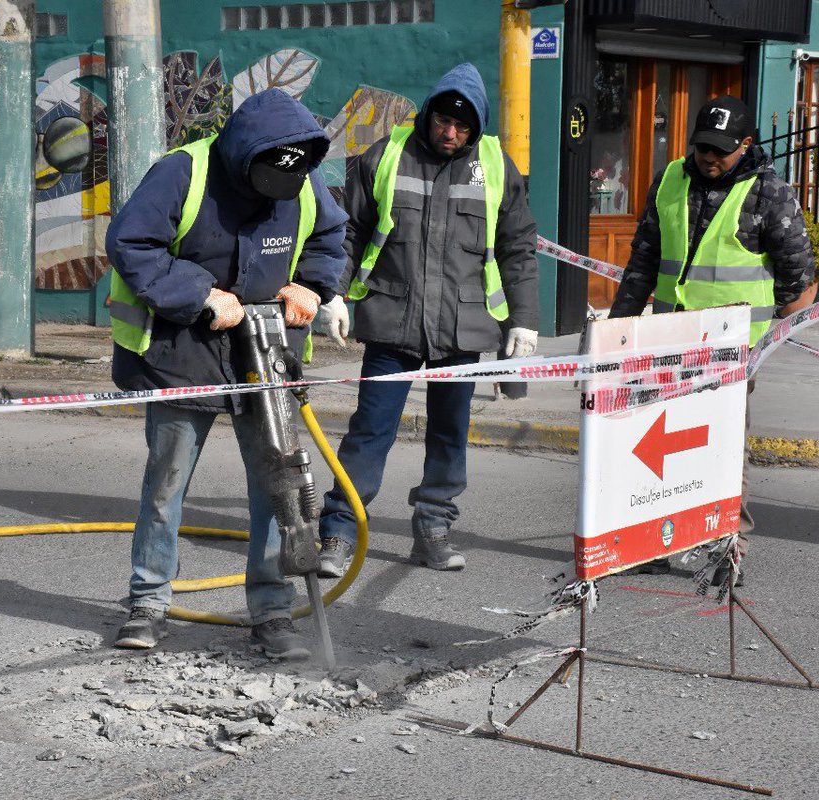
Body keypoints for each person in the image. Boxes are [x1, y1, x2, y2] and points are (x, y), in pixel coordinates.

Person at [104, 89, 348, 659]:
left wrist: (313, 285)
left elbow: (331, 237)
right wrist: (199, 293)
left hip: (264, 353)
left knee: (277, 488)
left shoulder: (300, 173)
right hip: (182, 350)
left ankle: (271, 610)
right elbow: (131, 243)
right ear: (244, 160)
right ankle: (148, 604)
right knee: (166, 484)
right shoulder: (181, 173)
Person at [316, 63, 540, 578]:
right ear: (429, 113)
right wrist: (331, 293)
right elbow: (348, 232)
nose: (450, 133)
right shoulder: (388, 154)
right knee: (369, 431)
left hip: (461, 328)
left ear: (476, 127)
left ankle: (433, 527)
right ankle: (339, 530)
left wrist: (524, 321)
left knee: (448, 433)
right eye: (443, 121)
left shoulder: (495, 165)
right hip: (392, 320)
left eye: (463, 127)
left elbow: (518, 247)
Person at [608, 95, 814, 583]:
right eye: (703, 147)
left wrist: (767, 335)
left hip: (730, 352)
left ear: (746, 145)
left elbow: (798, 277)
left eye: (721, 150)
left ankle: (727, 548)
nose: (709, 157)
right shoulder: (671, 181)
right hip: (668, 342)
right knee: (654, 447)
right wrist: (618, 328)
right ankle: (650, 541)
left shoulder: (769, 194)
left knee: (721, 451)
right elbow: (643, 261)